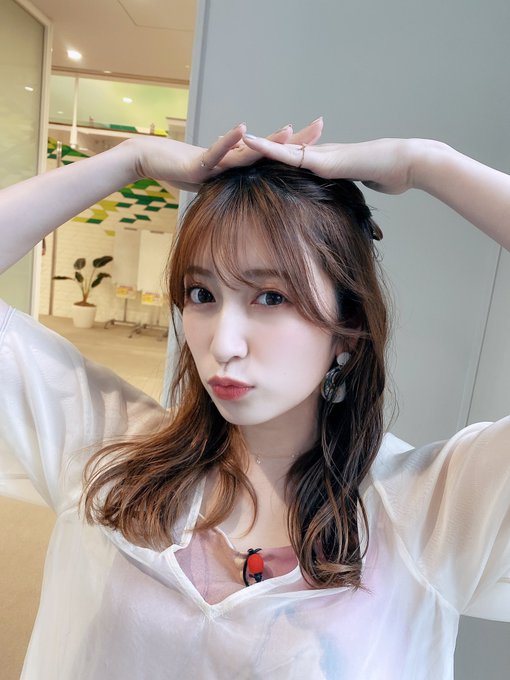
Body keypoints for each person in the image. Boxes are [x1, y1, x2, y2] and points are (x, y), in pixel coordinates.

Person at [0, 119, 509, 679]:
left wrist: (425, 162)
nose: (223, 343)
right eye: (202, 294)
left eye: (270, 297)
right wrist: (132, 159)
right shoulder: (111, 453)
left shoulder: (428, 514)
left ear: (347, 329)